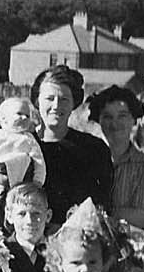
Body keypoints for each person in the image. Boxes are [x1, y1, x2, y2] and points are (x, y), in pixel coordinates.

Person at [33, 66, 113, 222]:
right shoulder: (23, 145)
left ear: (74, 104)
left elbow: (101, 204)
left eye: (64, 99)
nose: (56, 106)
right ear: (37, 101)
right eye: (50, 98)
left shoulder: (94, 149)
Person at [89, 85, 144, 230]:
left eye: (122, 116)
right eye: (107, 117)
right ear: (99, 120)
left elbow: (141, 218)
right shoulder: (87, 160)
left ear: (134, 120)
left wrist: (95, 213)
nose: (114, 123)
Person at [0, 96, 46, 190]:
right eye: (19, 114)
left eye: (27, 116)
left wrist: (38, 181)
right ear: (4, 119)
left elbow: (39, 161)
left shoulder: (28, 139)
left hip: (19, 180)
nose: (24, 117)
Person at [1, 182, 53, 272]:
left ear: (48, 216)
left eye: (36, 213)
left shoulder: (59, 251)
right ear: (9, 216)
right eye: (22, 214)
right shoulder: (0, 254)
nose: (29, 221)